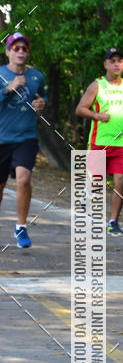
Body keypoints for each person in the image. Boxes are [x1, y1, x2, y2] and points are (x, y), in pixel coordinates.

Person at [76, 47, 123, 235]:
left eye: (120, 60)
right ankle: (86, 194)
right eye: (112, 61)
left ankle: (113, 222)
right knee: (96, 183)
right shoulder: (97, 85)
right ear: (105, 64)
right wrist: (96, 115)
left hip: (122, 144)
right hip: (99, 141)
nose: (116, 64)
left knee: (121, 180)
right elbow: (80, 109)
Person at [0, 32, 47, 248]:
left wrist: (41, 104)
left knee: (23, 179)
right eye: (16, 48)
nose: (20, 51)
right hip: (2, 138)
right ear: (8, 51)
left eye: (24, 48)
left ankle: (21, 226)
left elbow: (42, 97)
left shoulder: (37, 76)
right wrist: (8, 88)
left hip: (26, 137)